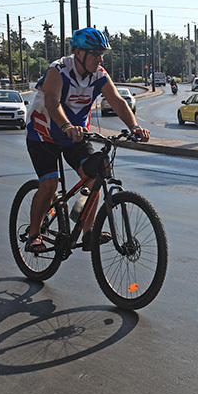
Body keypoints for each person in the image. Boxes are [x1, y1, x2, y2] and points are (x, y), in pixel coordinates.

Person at [25, 27, 150, 252]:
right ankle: (34, 234)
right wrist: (65, 125)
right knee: (50, 184)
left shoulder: (99, 74)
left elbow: (118, 102)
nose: (99, 58)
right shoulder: (59, 70)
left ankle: (88, 231)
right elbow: (52, 101)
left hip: (75, 135)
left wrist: (135, 126)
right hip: (43, 133)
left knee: (95, 177)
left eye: (101, 53)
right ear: (78, 53)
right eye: (93, 53)